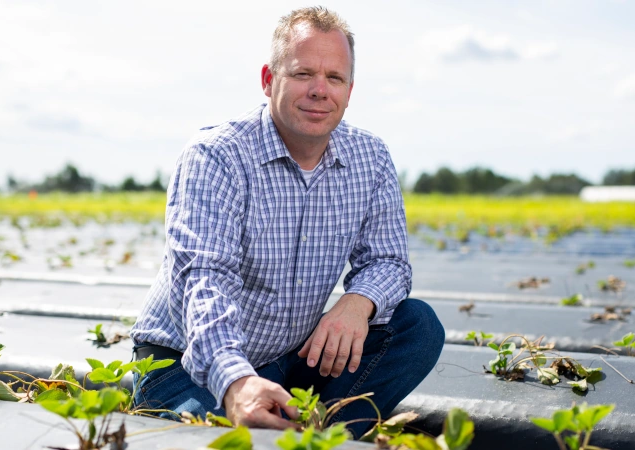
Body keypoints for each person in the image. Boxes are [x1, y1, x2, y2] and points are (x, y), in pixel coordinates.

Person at [129, 6, 444, 438]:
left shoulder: (370, 158)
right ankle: (283, 426)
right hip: (186, 364)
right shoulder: (217, 156)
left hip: (290, 356)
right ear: (268, 79)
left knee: (417, 326)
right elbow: (204, 281)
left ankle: (321, 434)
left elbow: (388, 261)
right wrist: (236, 382)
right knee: (227, 441)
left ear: (350, 90)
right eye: (302, 74)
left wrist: (358, 303)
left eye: (334, 78)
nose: (320, 90)